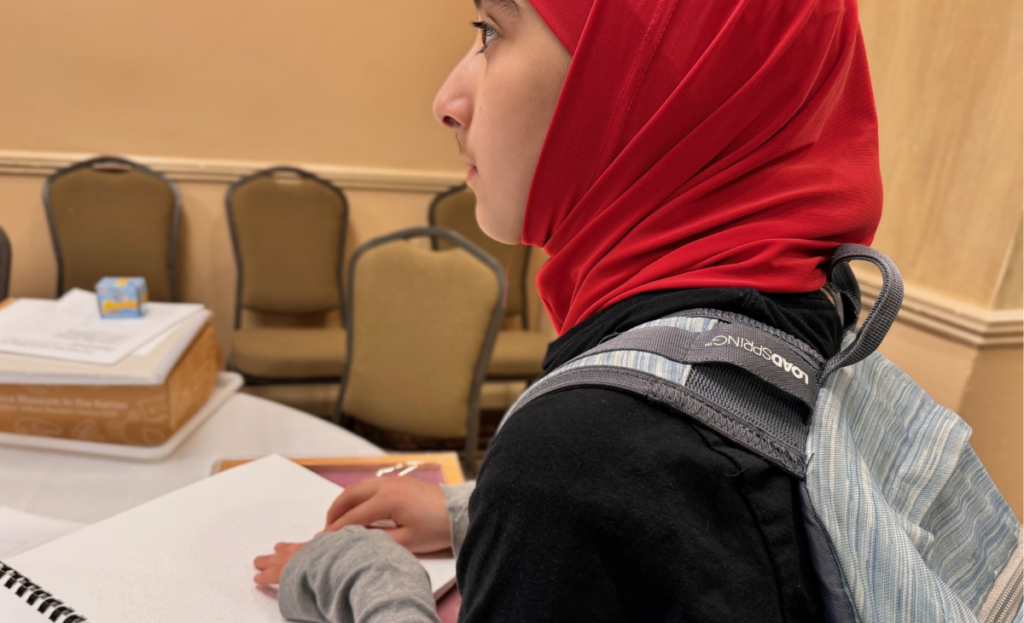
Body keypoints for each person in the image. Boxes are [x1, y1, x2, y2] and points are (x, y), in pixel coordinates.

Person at [254, 0, 882, 621]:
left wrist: (366, 576)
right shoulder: (811, 314)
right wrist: (474, 512)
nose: (446, 101)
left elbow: (626, 489)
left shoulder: (576, 454)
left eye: (490, 31)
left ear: (640, 85)